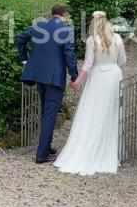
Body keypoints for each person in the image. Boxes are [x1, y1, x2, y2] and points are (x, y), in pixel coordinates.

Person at [54, 11, 127, 176]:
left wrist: (77, 82)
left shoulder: (92, 40)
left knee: (93, 112)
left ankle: (88, 148)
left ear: (93, 24)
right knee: (111, 112)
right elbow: (122, 61)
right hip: (114, 76)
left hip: (98, 77)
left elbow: (87, 65)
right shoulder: (118, 39)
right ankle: (109, 149)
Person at [17, 4, 80, 164]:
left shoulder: (39, 27)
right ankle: (42, 154)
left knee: (46, 112)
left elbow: (21, 39)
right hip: (54, 78)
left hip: (39, 76)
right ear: (64, 15)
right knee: (49, 114)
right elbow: (69, 55)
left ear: (52, 15)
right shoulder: (66, 30)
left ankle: (46, 145)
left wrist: (24, 59)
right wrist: (74, 76)